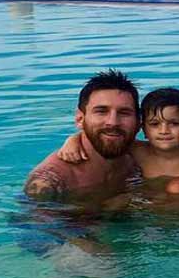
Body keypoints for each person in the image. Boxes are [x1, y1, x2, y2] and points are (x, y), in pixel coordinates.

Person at [23, 69, 141, 203]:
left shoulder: (139, 157)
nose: (113, 122)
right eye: (101, 111)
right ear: (80, 119)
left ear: (138, 122)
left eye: (124, 113)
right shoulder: (50, 181)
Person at [56, 88, 179, 179]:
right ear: (142, 128)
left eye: (174, 124)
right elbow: (103, 140)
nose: (164, 131)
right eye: (154, 124)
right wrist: (73, 140)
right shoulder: (137, 151)